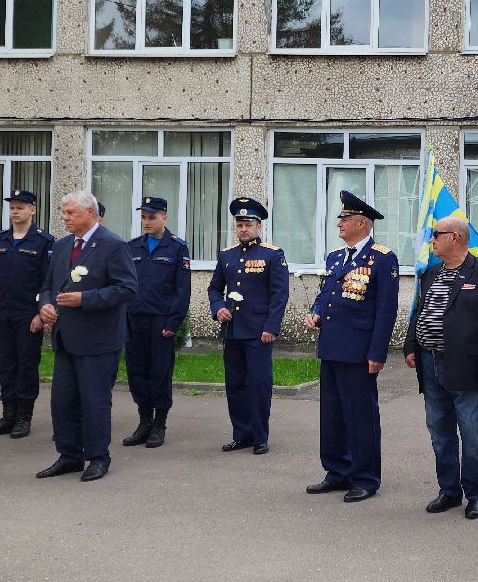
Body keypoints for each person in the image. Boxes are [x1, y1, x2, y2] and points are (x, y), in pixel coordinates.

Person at [402, 215, 478, 520]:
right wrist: (411, 345)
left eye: (437, 235)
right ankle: (448, 491)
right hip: (429, 361)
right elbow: (419, 312)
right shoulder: (431, 273)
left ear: (456, 238)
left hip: (468, 366)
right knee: (439, 431)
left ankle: (475, 493)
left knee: (473, 433)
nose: (432, 240)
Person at [304, 191, 400, 502]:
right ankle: (337, 471)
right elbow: (326, 293)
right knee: (331, 414)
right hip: (331, 346)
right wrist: (316, 311)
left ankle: (366, 477)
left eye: (344, 219)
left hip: (359, 351)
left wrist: (377, 352)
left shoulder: (383, 259)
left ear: (361, 222)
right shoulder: (335, 257)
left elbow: (386, 310)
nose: (339, 224)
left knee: (361, 416)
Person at [35, 190, 137, 483]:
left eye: (70, 213)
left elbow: (127, 288)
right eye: (64, 213)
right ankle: (69, 456)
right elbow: (47, 285)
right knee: (63, 402)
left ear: (90, 213)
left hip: (98, 340)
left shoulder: (113, 245)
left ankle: (98, 457)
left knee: (94, 402)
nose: (65, 218)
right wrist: (45, 305)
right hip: (66, 336)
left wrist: (86, 299)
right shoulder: (63, 245)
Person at [208, 198, 289, 455]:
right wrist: (217, 307)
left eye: (248, 224)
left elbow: (279, 294)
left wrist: (271, 327)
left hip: (259, 331)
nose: (243, 229)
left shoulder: (272, 254)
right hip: (233, 330)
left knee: (258, 383)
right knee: (235, 384)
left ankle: (260, 436)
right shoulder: (227, 255)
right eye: (239, 224)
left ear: (259, 226)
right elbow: (214, 288)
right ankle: (241, 434)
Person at [0, 189, 54, 440]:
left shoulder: (44, 241)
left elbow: (48, 280)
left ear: (33, 210)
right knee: (6, 365)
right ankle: (8, 414)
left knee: (26, 365)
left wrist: (40, 314)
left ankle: (24, 416)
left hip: (28, 314)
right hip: (1, 313)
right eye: (12, 207)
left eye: (21, 207)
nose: (15, 211)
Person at [121, 196, 191, 450]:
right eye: (143, 217)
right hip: (134, 320)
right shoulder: (132, 247)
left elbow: (183, 291)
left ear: (165, 217)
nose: (147, 221)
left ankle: (159, 423)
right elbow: (124, 285)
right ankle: (144, 422)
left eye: (152, 216)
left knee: (160, 373)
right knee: (137, 372)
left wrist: (173, 322)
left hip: (161, 321)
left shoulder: (177, 248)